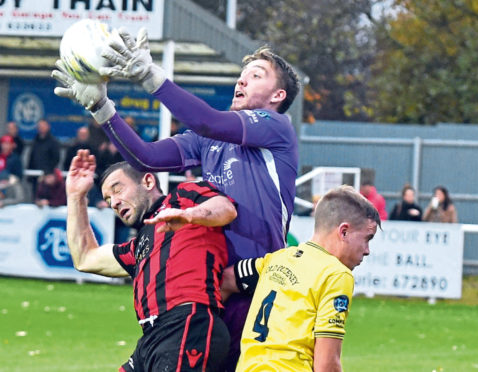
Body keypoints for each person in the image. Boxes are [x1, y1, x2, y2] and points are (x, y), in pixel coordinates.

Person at [52, 29, 300, 370]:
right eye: (240, 77)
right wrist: (101, 107)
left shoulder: (276, 127)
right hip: (212, 291)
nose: (241, 83)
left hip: (256, 284)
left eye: (255, 76)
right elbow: (145, 159)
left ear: (278, 95)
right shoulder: (206, 142)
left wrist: (151, 77)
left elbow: (208, 121)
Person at [65, 149, 237, 371]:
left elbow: (226, 209)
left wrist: (190, 215)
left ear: (148, 181)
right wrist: (76, 196)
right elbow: (85, 258)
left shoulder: (183, 198)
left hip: (187, 324)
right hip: (152, 338)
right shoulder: (140, 246)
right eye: (108, 199)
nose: (114, 203)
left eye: (118, 190)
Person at [221, 185, 381, 372]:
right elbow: (326, 365)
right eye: (367, 239)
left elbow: (226, 279)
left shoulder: (276, 259)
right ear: (343, 231)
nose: (367, 250)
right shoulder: (336, 274)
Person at [27, 119, 61, 199]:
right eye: (39, 126)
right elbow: (31, 157)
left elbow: (56, 158)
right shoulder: (35, 141)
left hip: (47, 177)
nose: (41, 128)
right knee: (34, 197)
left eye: (43, 126)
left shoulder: (53, 142)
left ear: (48, 127)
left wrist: (47, 172)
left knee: (45, 198)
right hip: (35, 175)